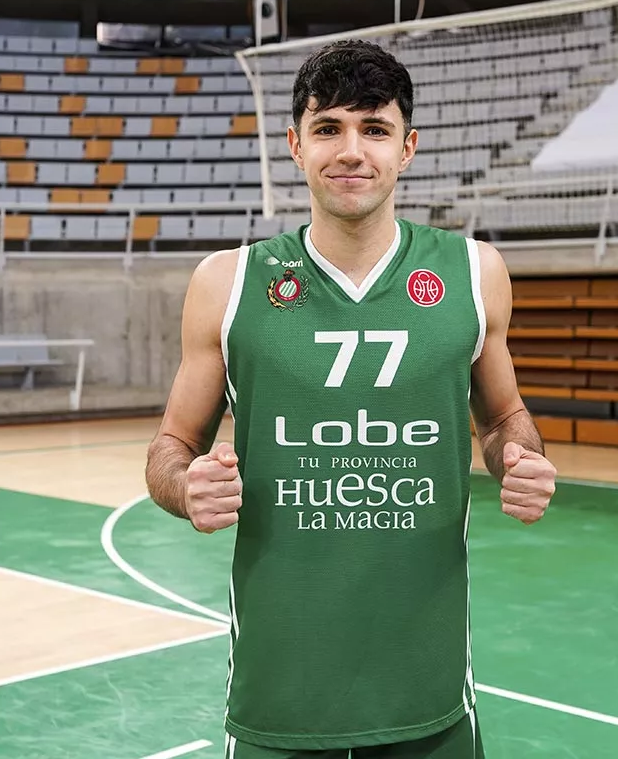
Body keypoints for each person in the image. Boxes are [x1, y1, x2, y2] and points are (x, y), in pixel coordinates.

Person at [145, 39, 557, 759]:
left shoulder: (473, 271)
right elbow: (170, 448)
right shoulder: (227, 282)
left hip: (429, 690)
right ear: (295, 147)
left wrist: (518, 456)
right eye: (328, 128)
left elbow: (502, 417)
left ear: (408, 148)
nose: (351, 151)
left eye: (374, 129)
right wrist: (186, 488)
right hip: (282, 694)